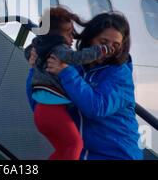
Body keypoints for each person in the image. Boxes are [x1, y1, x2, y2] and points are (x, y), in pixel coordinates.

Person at [28, 12, 143, 160]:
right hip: (81, 154)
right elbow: (39, 102)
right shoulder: (73, 65)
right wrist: (34, 69)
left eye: (116, 45)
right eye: (103, 42)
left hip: (117, 155)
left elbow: (97, 108)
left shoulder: (120, 75)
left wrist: (66, 72)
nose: (109, 50)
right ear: (90, 40)